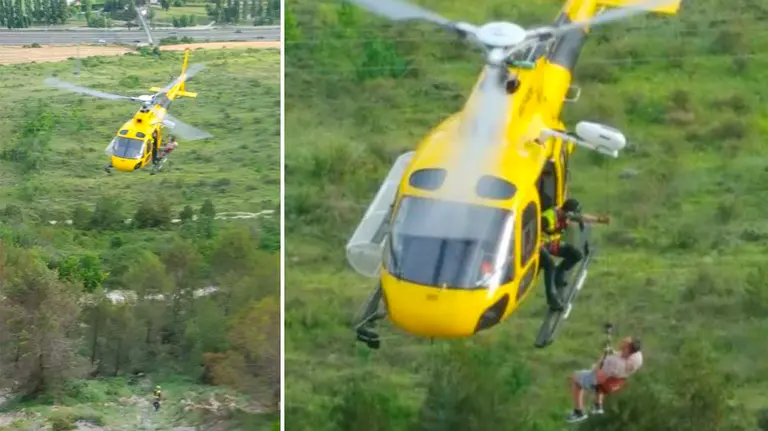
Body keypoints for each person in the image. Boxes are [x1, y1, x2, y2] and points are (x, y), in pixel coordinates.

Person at [540, 198, 609, 311]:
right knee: (550, 265)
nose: (574, 217)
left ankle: (559, 273)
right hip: (538, 246)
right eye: (573, 214)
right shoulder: (548, 218)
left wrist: (600, 220)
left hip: (551, 243)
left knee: (575, 255)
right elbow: (532, 232)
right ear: (568, 211)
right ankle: (552, 298)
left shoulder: (565, 214)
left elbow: (582, 218)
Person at [566, 336, 643, 423]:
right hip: (616, 383)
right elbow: (622, 357)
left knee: (575, 378)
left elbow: (598, 376)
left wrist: (603, 357)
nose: (622, 340)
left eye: (624, 342)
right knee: (607, 377)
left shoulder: (613, 362)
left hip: (602, 382)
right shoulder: (638, 357)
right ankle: (597, 405)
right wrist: (613, 352)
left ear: (627, 348)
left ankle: (579, 412)